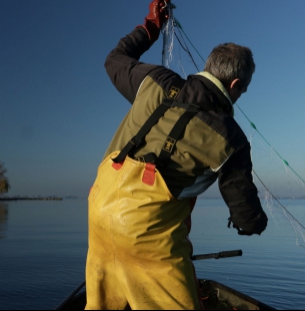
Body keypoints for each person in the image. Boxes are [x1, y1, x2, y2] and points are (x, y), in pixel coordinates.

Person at [85, 0, 268, 309]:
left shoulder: (155, 80)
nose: (241, 95)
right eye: (243, 90)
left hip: (99, 213)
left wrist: (151, 26)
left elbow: (115, 59)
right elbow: (245, 215)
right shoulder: (231, 137)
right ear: (235, 85)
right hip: (148, 237)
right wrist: (255, 224)